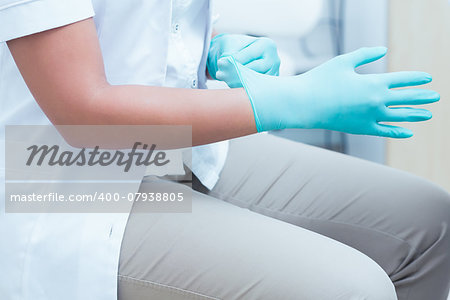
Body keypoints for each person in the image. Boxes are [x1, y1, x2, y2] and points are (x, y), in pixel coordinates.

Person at [0, 0, 449, 299]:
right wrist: (285, 103)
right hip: (61, 177)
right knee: (353, 290)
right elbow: (83, 111)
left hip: (179, 147)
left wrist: (221, 49)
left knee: (429, 223)